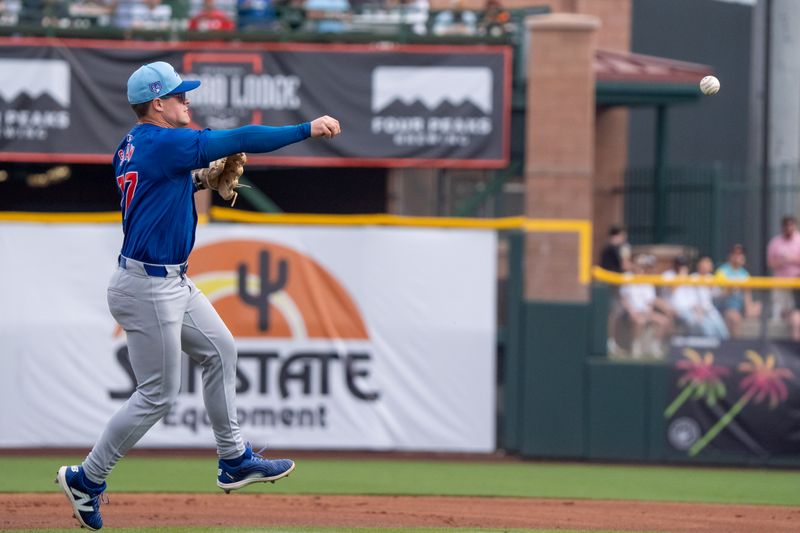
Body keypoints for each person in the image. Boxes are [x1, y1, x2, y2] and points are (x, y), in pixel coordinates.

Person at [55, 61, 341, 531]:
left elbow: (162, 189)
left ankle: (234, 459)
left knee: (220, 350)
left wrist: (202, 180)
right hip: (148, 286)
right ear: (156, 103)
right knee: (158, 396)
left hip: (168, 281)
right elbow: (242, 137)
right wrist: (306, 128)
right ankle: (87, 478)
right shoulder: (163, 141)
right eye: (178, 95)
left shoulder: (134, 145)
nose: (187, 100)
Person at [619, 253, 672, 359]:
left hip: (645, 312)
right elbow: (623, 299)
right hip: (631, 312)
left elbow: (651, 300)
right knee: (640, 321)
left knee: (664, 321)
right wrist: (631, 311)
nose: (642, 268)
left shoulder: (646, 280)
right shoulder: (627, 277)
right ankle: (636, 347)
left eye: (644, 266)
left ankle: (654, 347)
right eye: (641, 265)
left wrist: (663, 307)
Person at [670, 256, 729, 340]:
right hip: (696, 311)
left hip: (710, 311)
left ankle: (726, 350)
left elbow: (717, 294)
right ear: (699, 265)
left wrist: (728, 290)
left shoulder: (710, 278)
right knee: (708, 330)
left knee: (723, 332)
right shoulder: (693, 278)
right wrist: (697, 310)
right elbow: (690, 298)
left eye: (708, 263)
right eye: (705, 263)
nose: (707, 265)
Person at [715, 244, 762, 338]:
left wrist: (749, 307)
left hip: (739, 306)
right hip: (724, 306)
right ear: (730, 256)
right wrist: (730, 289)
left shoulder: (744, 274)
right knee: (734, 317)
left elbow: (747, 294)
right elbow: (718, 295)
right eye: (735, 254)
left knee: (758, 306)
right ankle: (734, 347)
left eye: (741, 254)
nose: (738, 256)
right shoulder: (722, 271)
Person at [766, 215, 800, 341]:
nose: (789, 228)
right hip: (780, 281)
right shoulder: (775, 242)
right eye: (786, 225)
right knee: (779, 313)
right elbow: (770, 263)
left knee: (794, 312)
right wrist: (781, 262)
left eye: (791, 225)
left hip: (797, 284)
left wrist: (791, 259)